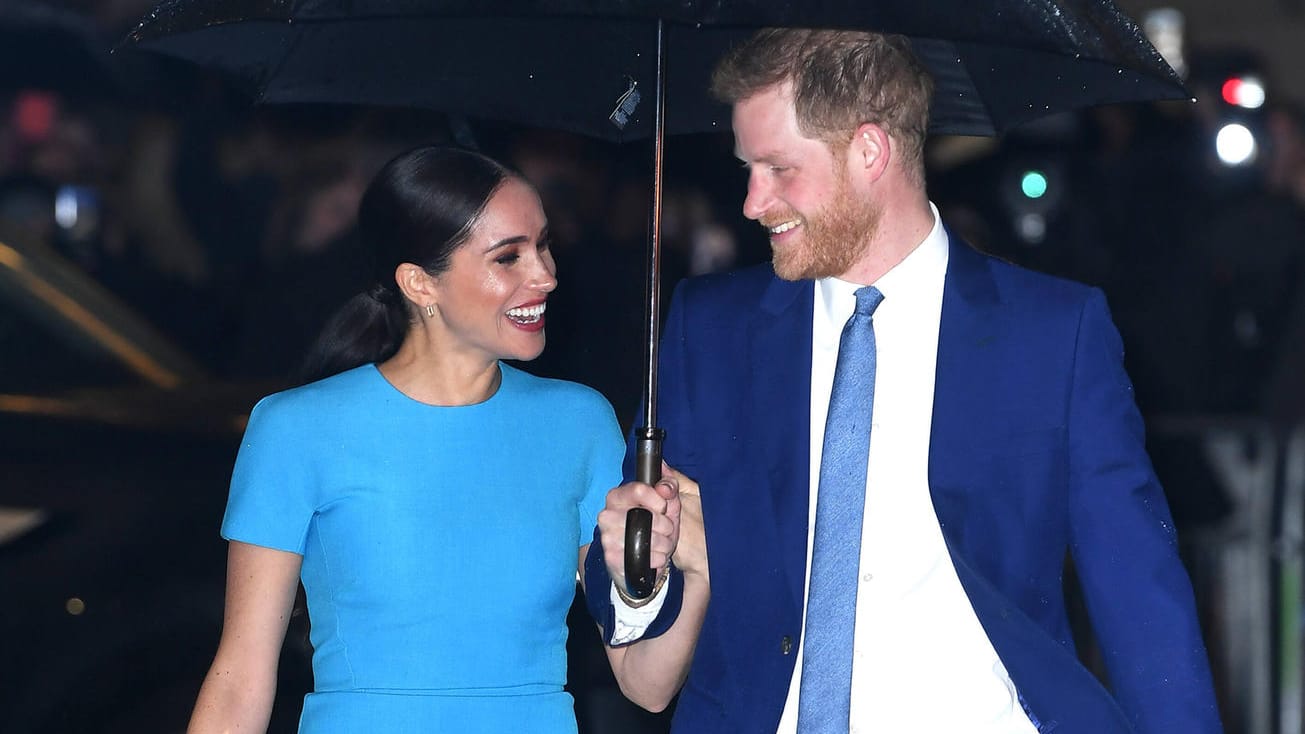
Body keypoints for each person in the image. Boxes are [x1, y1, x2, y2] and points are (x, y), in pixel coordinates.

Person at [583, 29, 1224, 734]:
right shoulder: (708, 331)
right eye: (747, 169)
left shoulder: (1052, 333)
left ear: (869, 152)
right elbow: (642, 603)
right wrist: (639, 575)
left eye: (776, 168)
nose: (751, 201)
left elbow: (1138, 593)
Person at [186, 145, 691, 733]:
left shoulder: (578, 422)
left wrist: (694, 566)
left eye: (544, 245)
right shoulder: (298, 429)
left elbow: (646, 684)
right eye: (509, 258)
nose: (546, 275)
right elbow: (241, 679)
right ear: (420, 284)